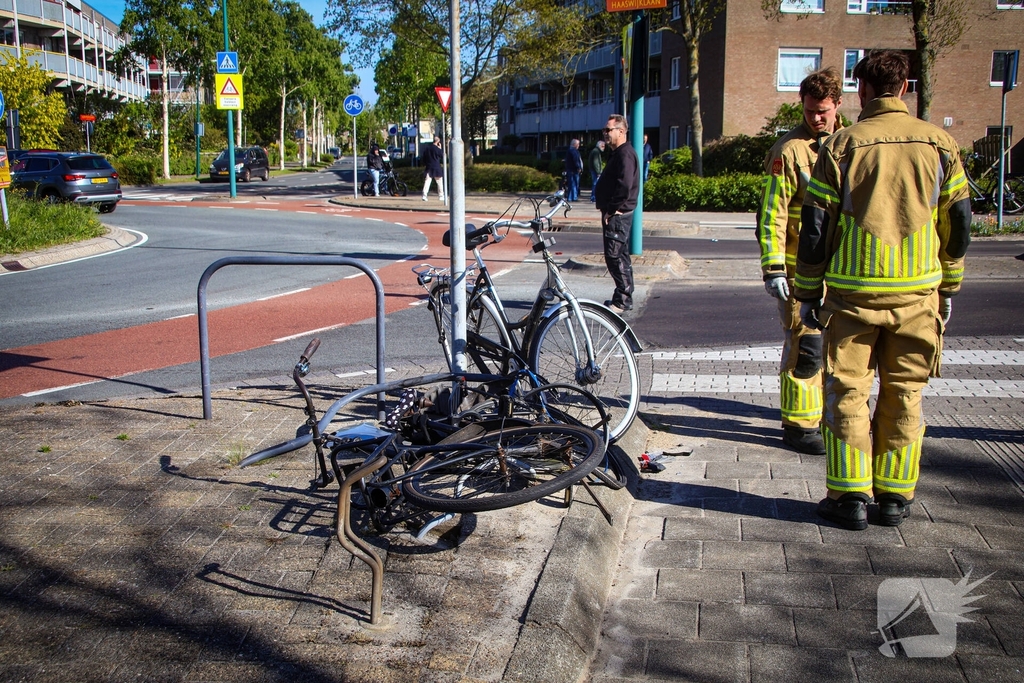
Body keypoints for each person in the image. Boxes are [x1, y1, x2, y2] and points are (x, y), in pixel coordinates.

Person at [795, 50, 972, 531]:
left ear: (863, 90)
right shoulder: (940, 144)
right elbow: (957, 221)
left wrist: (807, 293)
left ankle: (849, 497)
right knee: (905, 394)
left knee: (848, 394)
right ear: (905, 87)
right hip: (917, 297)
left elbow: (816, 227)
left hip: (853, 298)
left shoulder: (841, 146)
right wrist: (949, 284)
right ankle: (895, 497)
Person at [756, 67, 844, 456]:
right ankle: (798, 425)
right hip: (798, 271)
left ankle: (823, 414)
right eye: (810, 111)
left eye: (823, 111)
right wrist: (773, 268)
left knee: (833, 348)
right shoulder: (790, 151)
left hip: (839, 270)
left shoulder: (848, 143)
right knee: (804, 346)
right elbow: (772, 213)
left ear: (838, 104)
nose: (816, 118)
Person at [593, 115, 639, 313]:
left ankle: (622, 300)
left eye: (608, 130)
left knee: (614, 256)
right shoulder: (618, 153)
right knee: (620, 255)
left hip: (618, 214)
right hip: (616, 212)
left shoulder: (625, 154)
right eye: (604, 130)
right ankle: (623, 296)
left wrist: (612, 209)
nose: (605, 133)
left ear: (621, 131)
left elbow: (625, 185)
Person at [421, 136, 445, 202]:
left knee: (427, 182)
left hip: (429, 167)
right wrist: (440, 148)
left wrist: (426, 164)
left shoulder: (427, 148)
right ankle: (441, 195)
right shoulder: (437, 149)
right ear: (438, 141)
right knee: (439, 182)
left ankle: (424, 195)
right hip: (436, 167)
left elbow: (424, 158)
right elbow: (442, 155)